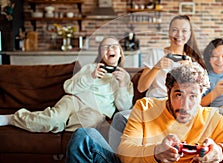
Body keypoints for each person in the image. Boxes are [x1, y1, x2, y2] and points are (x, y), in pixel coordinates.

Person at [66, 65, 223, 163]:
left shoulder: (211, 119)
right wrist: (155, 153)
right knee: (84, 136)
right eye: (178, 94)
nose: (185, 105)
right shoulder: (145, 106)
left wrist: (221, 153)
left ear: (201, 96)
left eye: (193, 96)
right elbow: (126, 153)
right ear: (168, 92)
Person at [109, 15, 223, 151]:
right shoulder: (156, 54)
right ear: (169, 32)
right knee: (120, 118)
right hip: (156, 105)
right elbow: (141, 87)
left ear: (190, 34)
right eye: (175, 30)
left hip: (180, 106)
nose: (179, 34)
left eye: (184, 31)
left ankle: (215, 154)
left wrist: (191, 69)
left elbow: (198, 98)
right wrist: (157, 66)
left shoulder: (194, 60)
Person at [0, 37, 133, 133]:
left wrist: (121, 85)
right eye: (106, 47)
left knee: (84, 124)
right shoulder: (90, 68)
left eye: (114, 46)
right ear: (101, 53)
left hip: (96, 111)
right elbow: (68, 87)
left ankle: (55, 123)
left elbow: (124, 108)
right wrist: (90, 77)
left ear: (120, 53)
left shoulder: (125, 78)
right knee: (53, 120)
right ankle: (14, 118)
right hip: (74, 101)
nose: (110, 48)